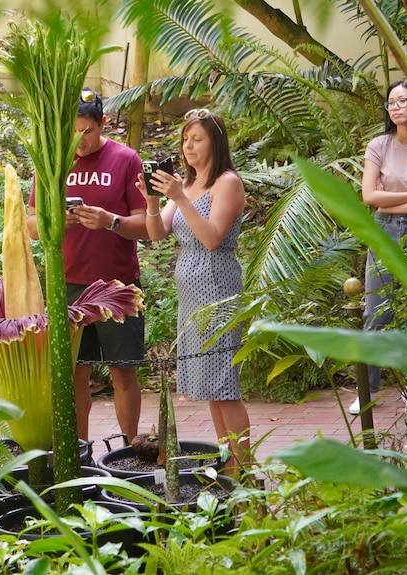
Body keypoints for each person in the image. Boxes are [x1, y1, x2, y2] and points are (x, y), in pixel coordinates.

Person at [27, 88, 147, 443]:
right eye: (73, 132)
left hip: (118, 286)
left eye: (87, 131)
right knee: (73, 375)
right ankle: (78, 455)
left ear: (103, 123)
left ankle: (127, 453)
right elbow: (31, 227)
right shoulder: (51, 162)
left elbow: (147, 223)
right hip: (67, 285)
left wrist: (111, 220)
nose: (79, 141)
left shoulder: (126, 159)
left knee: (122, 373)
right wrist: (57, 220)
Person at [137, 108, 251, 472]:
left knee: (224, 384)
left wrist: (180, 197)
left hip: (217, 287)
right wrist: (153, 199)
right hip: (191, 294)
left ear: (215, 142)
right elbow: (157, 233)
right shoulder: (187, 184)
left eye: (196, 138)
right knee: (211, 387)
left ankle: (243, 471)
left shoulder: (226, 183)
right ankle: (228, 463)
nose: (188, 146)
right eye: (185, 139)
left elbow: (213, 238)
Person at [354, 80, 407, 415]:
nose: (396, 107)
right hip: (384, 230)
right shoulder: (379, 145)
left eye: (403, 100)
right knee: (377, 311)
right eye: (391, 102)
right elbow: (370, 197)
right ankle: (367, 389)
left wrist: (393, 200)